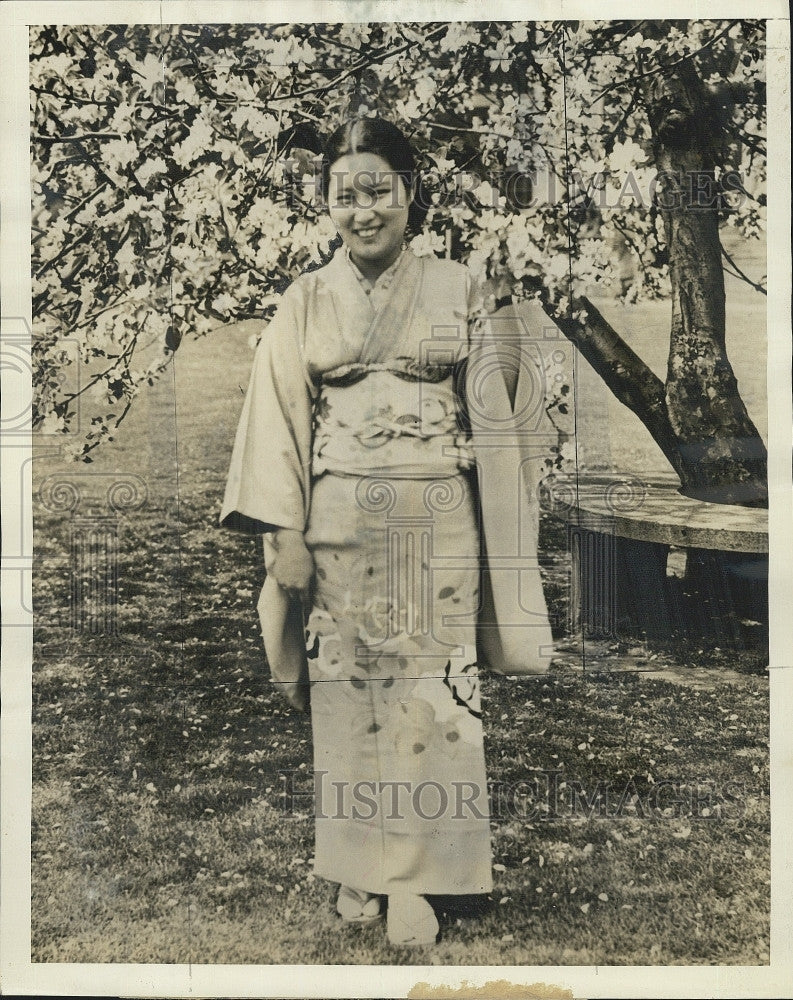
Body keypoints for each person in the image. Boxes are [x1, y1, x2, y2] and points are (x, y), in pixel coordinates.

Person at [221, 117, 553, 947]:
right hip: (335, 519)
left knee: (429, 694)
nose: (361, 210)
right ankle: (355, 865)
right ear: (326, 205)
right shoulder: (305, 298)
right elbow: (278, 422)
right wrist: (283, 534)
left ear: (410, 192)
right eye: (344, 196)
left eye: (377, 190)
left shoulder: (463, 288)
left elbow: (508, 411)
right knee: (347, 694)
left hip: (434, 515)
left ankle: (415, 881)